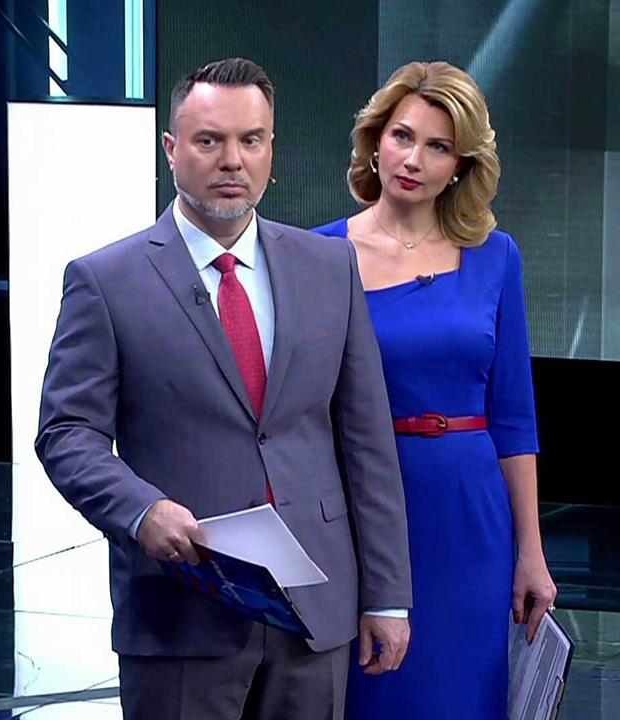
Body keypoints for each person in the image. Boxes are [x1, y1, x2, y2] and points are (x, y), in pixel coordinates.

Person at [36, 57, 413, 720]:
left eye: (251, 140)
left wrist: (387, 595)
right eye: (209, 140)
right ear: (171, 149)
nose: (232, 160)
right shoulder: (105, 281)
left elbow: (367, 443)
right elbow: (67, 434)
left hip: (314, 607)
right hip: (180, 609)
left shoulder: (330, 268)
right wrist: (142, 511)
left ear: (272, 150)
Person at [311, 60, 557, 719]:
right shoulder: (317, 255)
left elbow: (513, 417)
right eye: (402, 136)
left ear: (461, 165)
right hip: (362, 507)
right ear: (375, 141)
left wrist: (531, 552)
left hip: (469, 517)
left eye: (438, 146)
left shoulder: (496, 256)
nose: (414, 159)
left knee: (459, 695)